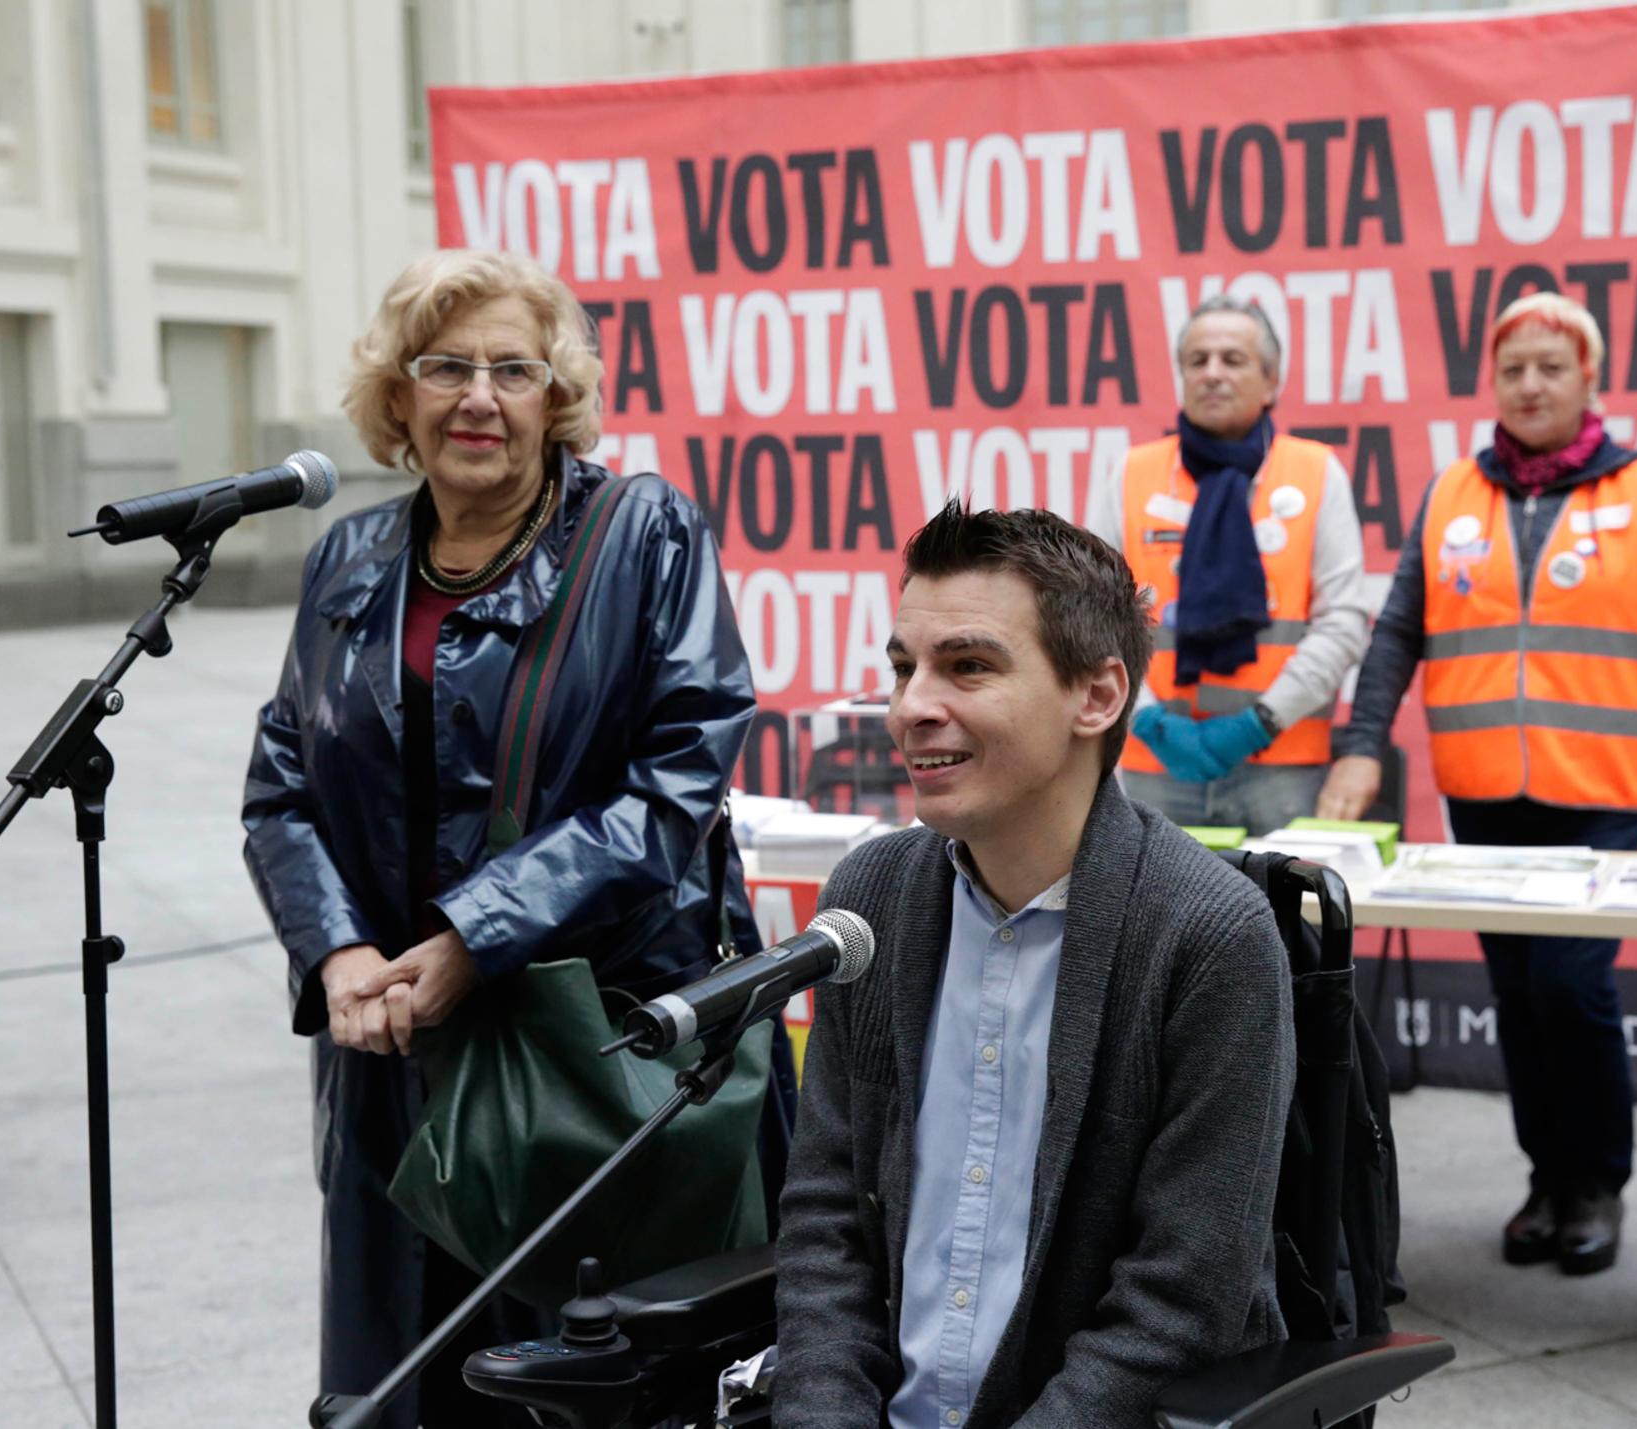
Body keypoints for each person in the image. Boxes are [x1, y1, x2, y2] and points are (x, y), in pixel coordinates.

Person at [241, 249, 792, 1426]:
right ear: (398, 398)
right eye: (444, 367)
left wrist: (466, 940)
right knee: (404, 1373)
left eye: (512, 369)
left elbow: (677, 779)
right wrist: (337, 955)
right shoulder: (349, 557)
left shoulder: (645, 532)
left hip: (596, 1050)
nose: (477, 397)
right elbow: (281, 785)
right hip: (391, 1053)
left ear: (557, 398)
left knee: (583, 1380)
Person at [773, 502, 1294, 1429]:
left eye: (967, 665)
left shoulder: (1210, 934)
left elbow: (1179, 1309)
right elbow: (826, 1223)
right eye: (904, 668)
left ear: (1096, 696)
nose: (910, 707)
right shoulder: (872, 897)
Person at [1317, 291, 1637, 1276]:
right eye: (1513, 369)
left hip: (1597, 789)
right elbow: (1398, 634)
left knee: (1570, 981)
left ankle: (1595, 1181)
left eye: (1551, 366)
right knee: (1516, 990)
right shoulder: (1452, 493)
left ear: (1587, 379)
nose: (1530, 384)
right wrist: (1363, 738)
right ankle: (1543, 1180)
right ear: (1492, 385)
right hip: (1485, 793)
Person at [1084, 294, 1373, 836]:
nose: (1212, 374)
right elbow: (1090, 618)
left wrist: (1258, 723)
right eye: (1198, 361)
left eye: (1232, 360)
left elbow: (1343, 622)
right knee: (1156, 921)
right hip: (1158, 760)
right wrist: (1145, 719)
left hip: (1281, 762)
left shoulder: (1315, 472)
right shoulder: (1132, 473)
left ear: (1271, 381)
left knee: (1283, 921)